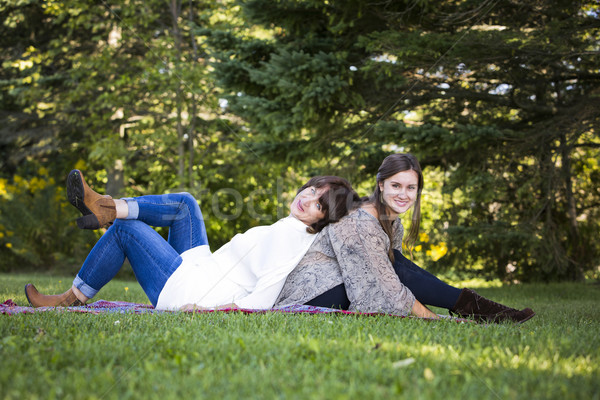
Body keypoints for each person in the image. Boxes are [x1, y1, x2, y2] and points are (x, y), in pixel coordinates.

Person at [25, 170, 358, 310]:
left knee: (127, 230)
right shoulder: (291, 226)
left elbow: (265, 296)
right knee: (185, 204)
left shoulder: (291, 236)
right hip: (201, 267)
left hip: (192, 290)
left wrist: (212, 310)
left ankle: (71, 297)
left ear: (322, 217)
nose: (307, 198)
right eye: (312, 190)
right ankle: (107, 208)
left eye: (318, 204)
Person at [275, 153, 536, 323]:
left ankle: (476, 307)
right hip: (310, 294)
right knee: (395, 265)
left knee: (396, 261)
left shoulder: (391, 221)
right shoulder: (358, 222)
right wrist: (434, 318)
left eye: (411, 188)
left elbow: (400, 275)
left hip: (338, 286)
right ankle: (477, 308)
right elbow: (385, 284)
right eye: (396, 186)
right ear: (381, 185)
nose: (404, 194)